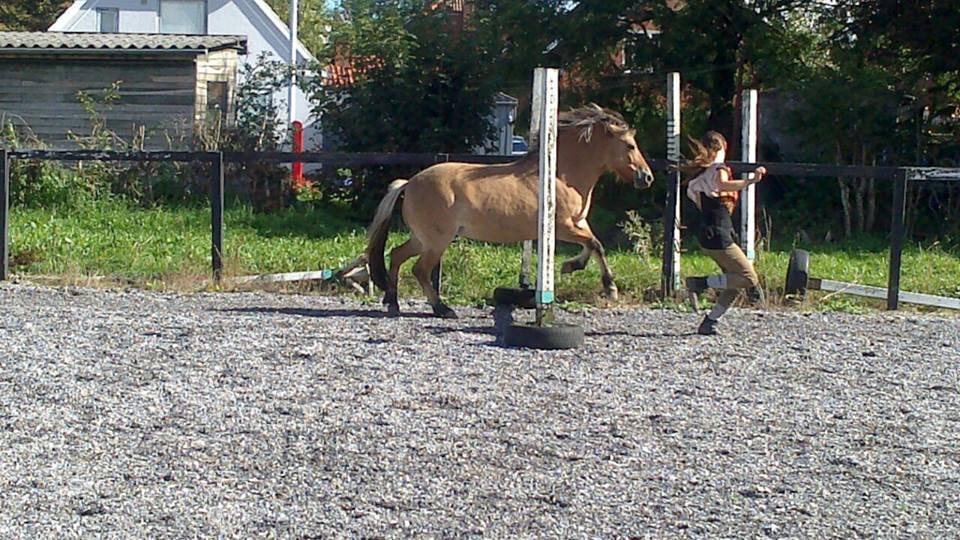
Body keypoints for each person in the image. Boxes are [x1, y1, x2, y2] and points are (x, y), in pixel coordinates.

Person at [682, 131, 766, 335]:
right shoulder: (719, 169)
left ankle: (710, 321)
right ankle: (699, 283)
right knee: (748, 278)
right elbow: (721, 184)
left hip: (709, 234)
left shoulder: (699, 178)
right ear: (720, 148)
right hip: (719, 234)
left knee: (734, 281)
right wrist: (750, 181)